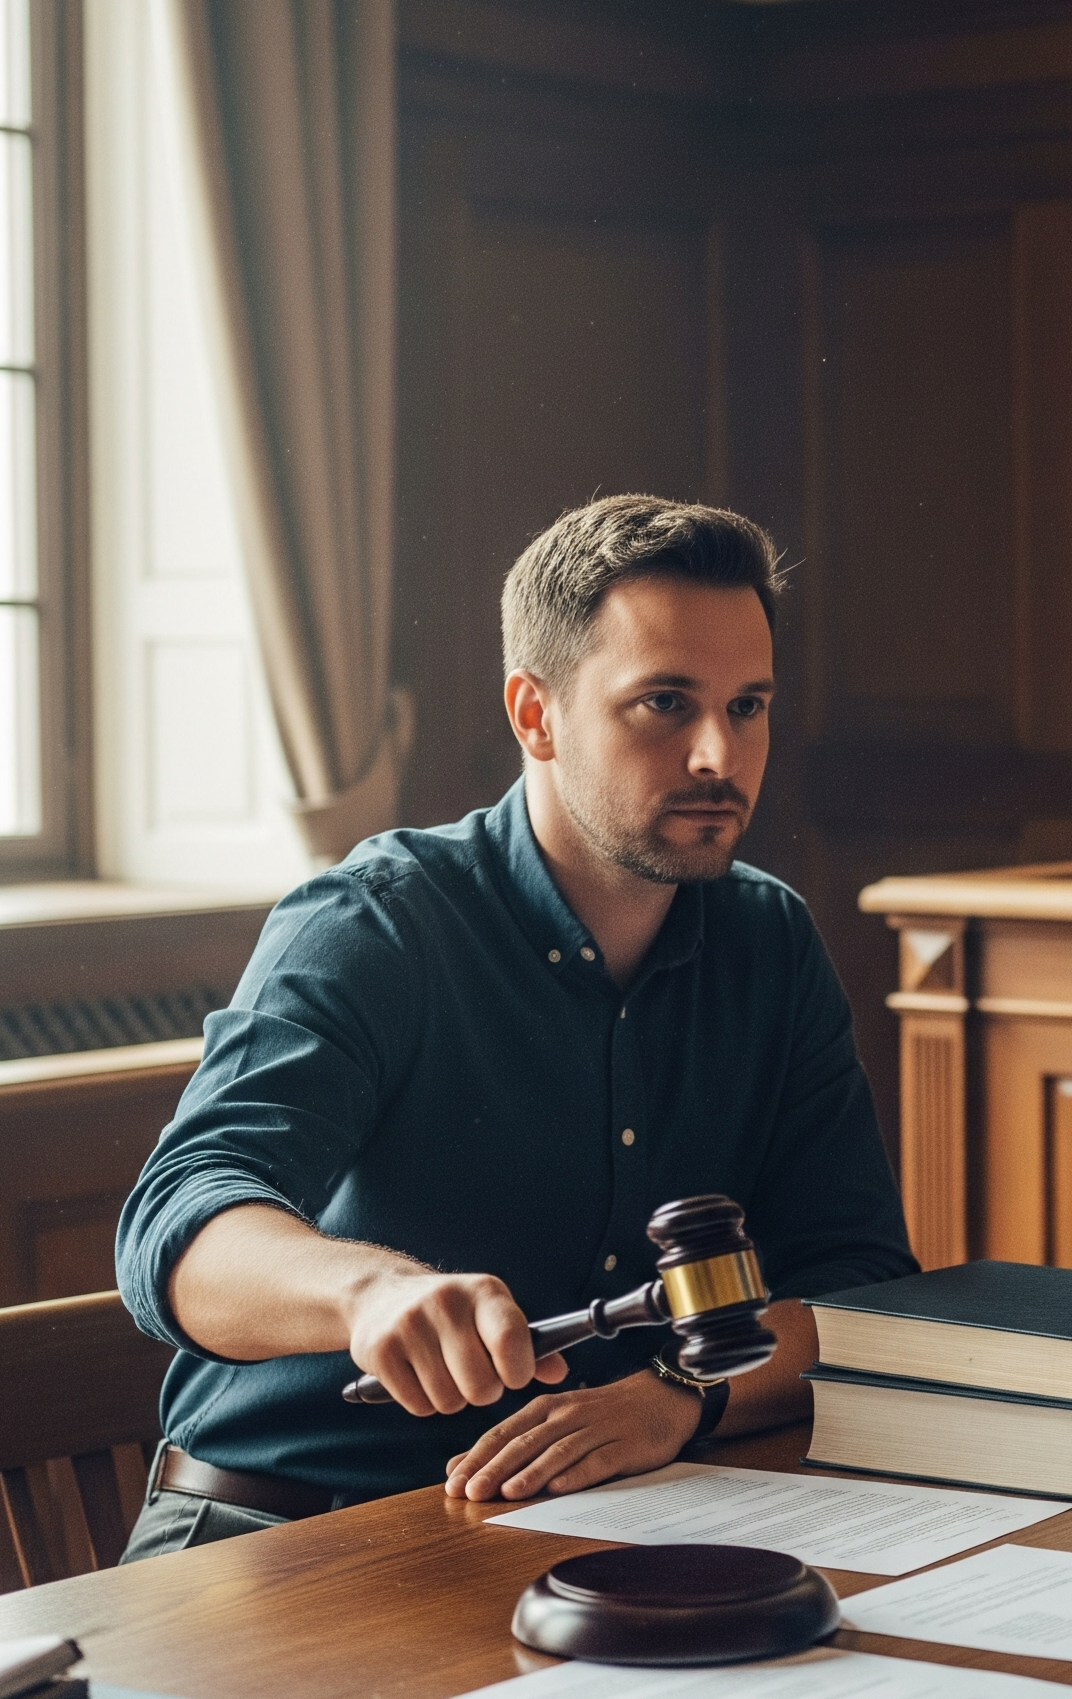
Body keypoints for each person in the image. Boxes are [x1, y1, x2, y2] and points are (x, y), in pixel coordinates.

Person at [116, 496, 917, 1560]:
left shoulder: (768, 942)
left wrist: (680, 1395)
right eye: (665, 703)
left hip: (587, 1527)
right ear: (535, 716)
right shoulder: (374, 924)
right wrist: (369, 1291)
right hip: (274, 1529)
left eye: (750, 704)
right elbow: (173, 1226)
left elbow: (862, 1287)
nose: (721, 754)